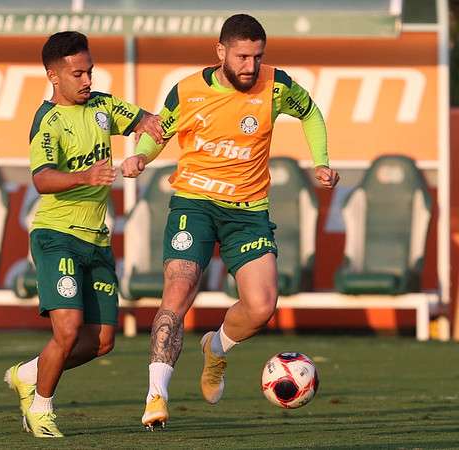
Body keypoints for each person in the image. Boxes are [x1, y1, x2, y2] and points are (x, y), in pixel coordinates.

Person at [121, 14, 339, 430]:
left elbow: (311, 114)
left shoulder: (276, 85)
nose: (249, 66)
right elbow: (158, 130)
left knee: (261, 306)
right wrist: (141, 156)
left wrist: (322, 163)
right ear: (220, 51)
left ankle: (216, 348)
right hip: (194, 204)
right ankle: (156, 394)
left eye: (257, 57)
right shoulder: (188, 91)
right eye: (241, 56)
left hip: (249, 211)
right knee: (178, 289)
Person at [4, 31, 163, 438]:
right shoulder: (48, 120)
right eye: (78, 73)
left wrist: (141, 153)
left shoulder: (103, 106)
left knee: (103, 342)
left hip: (97, 239)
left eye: (89, 70)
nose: (87, 79)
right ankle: (41, 407)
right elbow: (41, 179)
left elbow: (151, 123)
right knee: (69, 329)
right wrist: (85, 176)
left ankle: (30, 373)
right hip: (55, 235)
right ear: (53, 76)